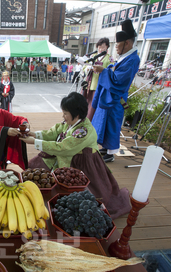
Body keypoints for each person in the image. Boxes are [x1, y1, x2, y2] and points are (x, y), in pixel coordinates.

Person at [20, 92, 131, 219]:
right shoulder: (72, 122)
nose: (63, 116)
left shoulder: (83, 131)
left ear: (76, 114)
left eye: (65, 113)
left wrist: (35, 142)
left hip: (84, 163)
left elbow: (64, 148)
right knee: (36, 168)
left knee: (83, 194)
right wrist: (34, 134)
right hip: (68, 156)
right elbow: (53, 132)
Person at [92, 19, 140, 163]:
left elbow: (120, 80)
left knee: (112, 125)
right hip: (110, 97)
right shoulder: (125, 57)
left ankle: (111, 153)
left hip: (116, 97)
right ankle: (106, 148)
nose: (116, 48)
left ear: (127, 43)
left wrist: (104, 71)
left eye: (118, 44)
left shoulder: (133, 59)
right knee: (106, 123)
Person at [82, 37, 113, 121]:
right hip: (89, 83)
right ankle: (84, 119)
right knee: (86, 102)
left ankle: (91, 121)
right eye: (99, 47)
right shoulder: (93, 56)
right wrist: (88, 69)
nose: (100, 49)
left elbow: (111, 70)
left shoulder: (109, 58)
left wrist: (102, 70)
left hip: (100, 85)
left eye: (103, 47)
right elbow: (85, 66)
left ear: (107, 47)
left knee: (94, 105)